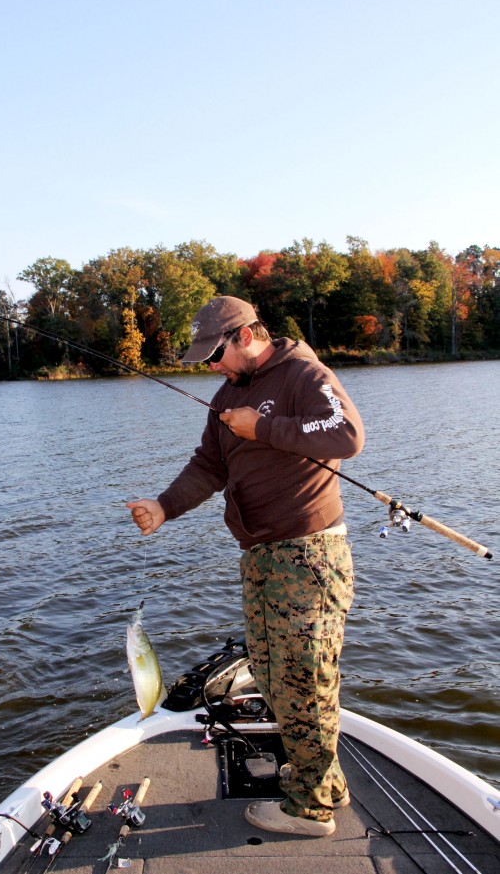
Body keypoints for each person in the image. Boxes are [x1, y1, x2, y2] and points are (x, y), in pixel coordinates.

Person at [126, 296, 365, 837]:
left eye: (215, 354)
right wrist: (164, 506)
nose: (211, 366)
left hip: (309, 554)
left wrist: (264, 427)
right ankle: (324, 784)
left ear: (244, 336)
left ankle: (310, 811)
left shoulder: (304, 373)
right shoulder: (226, 395)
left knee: (304, 680)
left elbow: (347, 435)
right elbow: (208, 465)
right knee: (274, 678)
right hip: (259, 559)